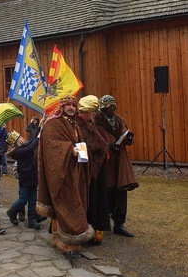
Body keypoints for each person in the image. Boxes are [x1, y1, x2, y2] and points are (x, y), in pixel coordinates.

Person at [37, 95, 94, 258]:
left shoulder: (74, 123)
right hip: (60, 171)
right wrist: (70, 149)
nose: (71, 108)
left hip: (74, 170)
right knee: (62, 203)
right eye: (68, 105)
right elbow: (51, 145)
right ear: (62, 107)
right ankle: (60, 238)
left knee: (72, 203)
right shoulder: (53, 123)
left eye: (73, 105)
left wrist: (82, 152)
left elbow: (78, 143)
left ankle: (66, 238)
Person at [95, 95, 139, 237]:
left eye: (114, 105)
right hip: (105, 161)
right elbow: (93, 141)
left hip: (120, 161)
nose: (112, 108)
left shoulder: (119, 120)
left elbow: (124, 135)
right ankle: (103, 222)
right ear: (103, 107)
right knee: (106, 190)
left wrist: (128, 138)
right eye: (109, 106)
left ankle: (119, 224)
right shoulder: (96, 121)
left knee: (121, 191)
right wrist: (107, 146)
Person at [76, 95, 111, 245]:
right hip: (85, 173)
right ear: (85, 111)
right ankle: (86, 232)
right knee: (87, 202)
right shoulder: (77, 127)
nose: (94, 115)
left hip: (97, 171)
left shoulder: (92, 125)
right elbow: (81, 153)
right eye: (92, 111)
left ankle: (96, 230)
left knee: (97, 200)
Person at [5, 130, 45, 230]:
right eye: (21, 138)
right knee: (23, 199)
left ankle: (32, 220)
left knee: (32, 200)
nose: (23, 138)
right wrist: (39, 138)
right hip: (25, 178)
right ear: (17, 142)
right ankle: (12, 211)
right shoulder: (18, 152)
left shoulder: (23, 146)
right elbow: (31, 147)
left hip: (32, 176)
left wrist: (41, 126)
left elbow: (31, 141)